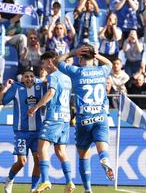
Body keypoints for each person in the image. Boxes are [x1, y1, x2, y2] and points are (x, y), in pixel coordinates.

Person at [56, 44, 115, 193]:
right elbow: (109, 63)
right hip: (101, 116)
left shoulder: (76, 72)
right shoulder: (102, 71)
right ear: (93, 57)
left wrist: (72, 52)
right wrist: (97, 55)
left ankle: (88, 189)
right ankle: (104, 158)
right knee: (102, 148)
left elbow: (57, 61)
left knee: (83, 155)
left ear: (80, 57)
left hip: (84, 118)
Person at [27, 51, 75, 193]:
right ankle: (70, 182)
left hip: (54, 117)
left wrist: (36, 106)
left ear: (49, 61)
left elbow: (51, 93)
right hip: (65, 118)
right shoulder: (67, 78)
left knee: (42, 147)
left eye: (43, 62)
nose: (43, 66)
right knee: (60, 151)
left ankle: (46, 180)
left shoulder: (53, 76)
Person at [0, 69, 44, 193]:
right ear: (22, 79)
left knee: (38, 160)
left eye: (31, 76)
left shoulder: (41, 86)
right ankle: (9, 179)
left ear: (34, 78)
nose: (29, 79)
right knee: (22, 162)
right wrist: (5, 87)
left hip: (37, 132)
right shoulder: (16, 88)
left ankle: (33, 188)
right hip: (21, 132)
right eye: (26, 77)